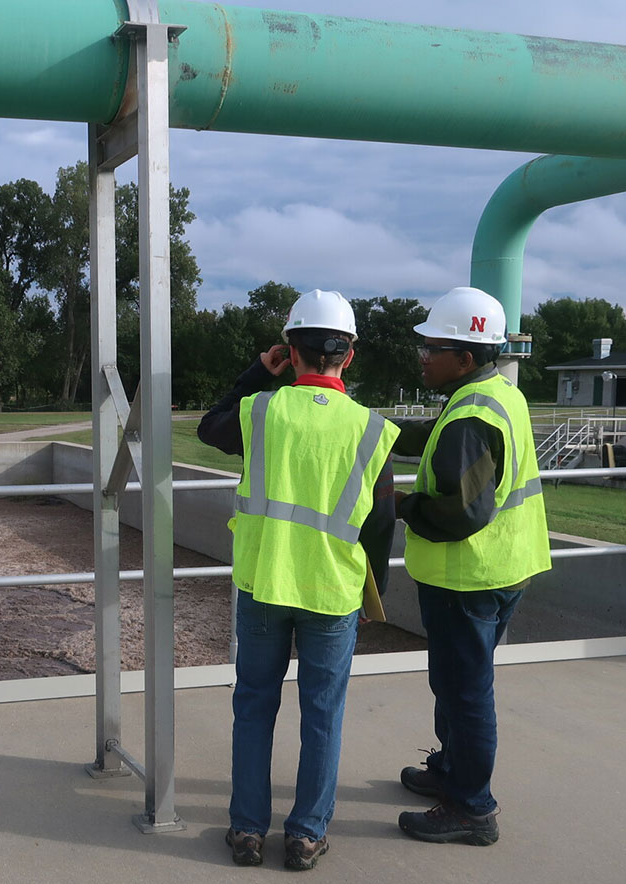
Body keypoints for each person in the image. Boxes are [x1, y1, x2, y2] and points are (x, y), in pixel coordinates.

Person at [197, 290, 398, 871]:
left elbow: (210, 427)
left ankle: (247, 831)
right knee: (323, 713)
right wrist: (370, 594)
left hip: (264, 583)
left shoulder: (262, 411)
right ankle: (307, 834)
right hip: (333, 593)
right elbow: (380, 521)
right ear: (349, 356)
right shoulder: (371, 429)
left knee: (254, 706)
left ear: (290, 349)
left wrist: (257, 372)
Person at [391, 286, 550, 847]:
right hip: (507, 567)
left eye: (433, 347)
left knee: (465, 690)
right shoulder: (494, 394)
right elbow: (432, 439)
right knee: (458, 682)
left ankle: (471, 807)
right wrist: (370, 428)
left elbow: (461, 512)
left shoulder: (469, 417)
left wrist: (402, 506)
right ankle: (452, 773)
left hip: (469, 577)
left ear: (465, 356)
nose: (423, 356)